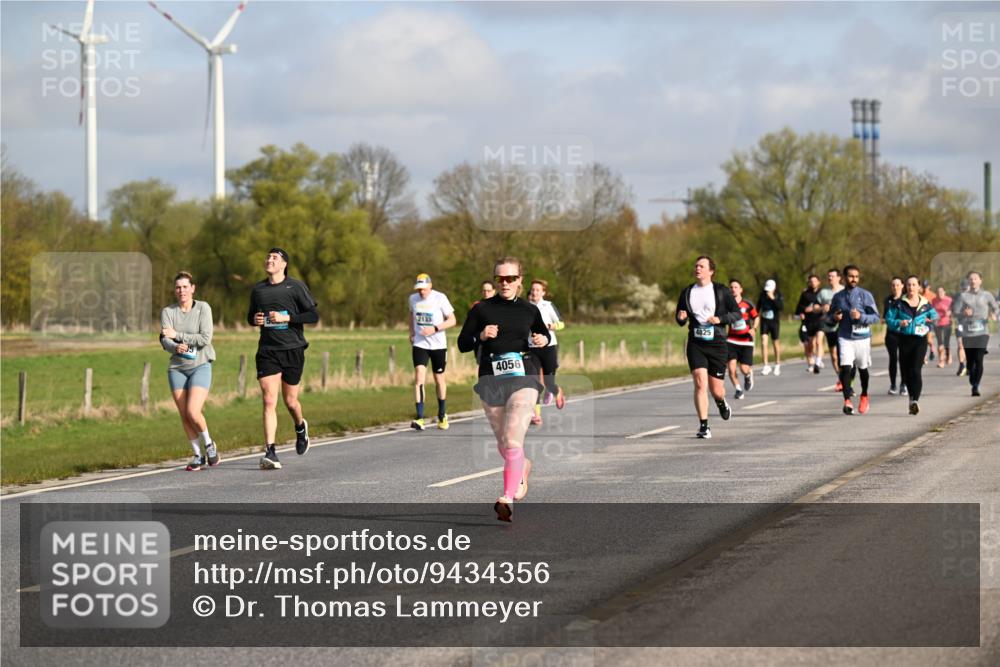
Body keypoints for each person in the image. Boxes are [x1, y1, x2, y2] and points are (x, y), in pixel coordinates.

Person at [457, 257, 550, 522]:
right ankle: (523, 465)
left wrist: (542, 339)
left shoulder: (530, 310)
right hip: (491, 376)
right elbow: (463, 343)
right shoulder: (481, 309)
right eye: (501, 279)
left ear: (520, 280)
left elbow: (542, 336)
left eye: (511, 278)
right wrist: (481, 336)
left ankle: (507, 498)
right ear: (496, 280)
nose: (505, 283)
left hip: (524, 373)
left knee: (511, 439)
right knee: (503, 442)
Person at [247, 248, 319, 470]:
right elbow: (250, 316)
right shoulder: (258, 289)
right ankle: (270, 451)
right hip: (268, 350)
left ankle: (300, 426)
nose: (269, 260)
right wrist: (255, 319)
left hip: (292, 349)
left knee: (290, 402)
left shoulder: (295, 286)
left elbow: (313, 315)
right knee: (269, 400)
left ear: (284, 264)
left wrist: (287, 317)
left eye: (274, 258)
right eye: (268, 257)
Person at [676, 256, 740, 438]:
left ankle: (721, 403)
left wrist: (720, 319)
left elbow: (736, 314)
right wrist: (680, 318)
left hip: (717, 343)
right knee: (699, 381)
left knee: (716, 391)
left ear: (711, 271)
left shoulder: (721, 291)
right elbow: (680, 317)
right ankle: (704, 426)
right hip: (696, 343)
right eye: (696, 266)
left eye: (701, 266)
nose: (697, 269)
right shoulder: (687, 292)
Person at [160, 271, 218, 471]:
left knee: (193, 411)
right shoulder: (168, 312)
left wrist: (179, 336)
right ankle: (197, 455)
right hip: (177, 368)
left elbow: (205, 339)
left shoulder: (203, 308)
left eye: (185, 287)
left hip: (200, 365)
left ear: (192, 288)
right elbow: (164, 339)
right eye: (178, 287)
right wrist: (175, 347)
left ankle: (209, 444)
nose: (181, 290)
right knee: (184, 414)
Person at [408, 274, 457, 431]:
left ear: (430, 285)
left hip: (438, 345)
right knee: (419, 378)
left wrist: (435, 329)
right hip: (420, 344)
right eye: (419, 289)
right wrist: (411, 332)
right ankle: (420, 417)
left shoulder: (440, 298)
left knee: (439, 379)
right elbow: (411, 314)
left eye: (424, 288)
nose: (421, 292)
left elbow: (452, 320)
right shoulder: (413, 299)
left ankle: (442, 413)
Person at [885, 276, 938, 415]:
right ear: (905, 287)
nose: (911, 287)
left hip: (920, 340)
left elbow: (935, 316)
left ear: (919, 287)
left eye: (914, 285)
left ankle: (915, 400)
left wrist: (930, 320)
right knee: (907, 372)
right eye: (909, 285)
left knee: (916, 370)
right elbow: (889, 319)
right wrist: (899, 323)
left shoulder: (926, 303)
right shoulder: (898, 303)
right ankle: (911, 399)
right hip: (904, 339)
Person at [831, 264, 881, 415]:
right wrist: (835, 317)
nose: (854, 279)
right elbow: (831, 317)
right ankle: (847, 401)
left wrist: (861, 317)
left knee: (862, 369)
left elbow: (876, 318)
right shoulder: (838, 297)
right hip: (845, 337)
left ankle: (864, 395)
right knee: (845, 368)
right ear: (845, 277)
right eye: (851, 276)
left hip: (862, 338)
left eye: (856, 276)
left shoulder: (865, 295)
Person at [951, 270, 999, 396]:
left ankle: (976, 386)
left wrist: (995, 314)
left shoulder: (987, 295)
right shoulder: (963, 296)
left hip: (982, 332)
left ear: (980, 280)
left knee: (979, 359)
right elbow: (955, 312)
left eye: (975, 278)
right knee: (971, 361)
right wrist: (963, 313)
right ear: (968, 281)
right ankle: (972, 377)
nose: (973, 281)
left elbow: (996, 308)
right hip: (967, 332)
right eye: (971, 279)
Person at [527, 279, 566, 425]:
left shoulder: (548, 306)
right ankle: (536, 415)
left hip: (549, 346)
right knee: (533, 382)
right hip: (532, 348)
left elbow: (561, 323)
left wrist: (550, 326)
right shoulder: (526, 307)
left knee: (549, 383)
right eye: (533, 290)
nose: (535, 292)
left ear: (543, 292)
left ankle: (556, 391)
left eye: (538, 290)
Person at [726, 279, 758, 400]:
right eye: (731, 287)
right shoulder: (727, 306)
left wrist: (754, 328)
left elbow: (756, 317)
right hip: (731, 341)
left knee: (744, 368)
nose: (733, 289)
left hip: (746, 341)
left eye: (736, 287)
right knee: (731, 368)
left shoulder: (748, 304)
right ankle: (738, 389)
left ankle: (748, 375)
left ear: (741, 290)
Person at [818, 268, 845, 390]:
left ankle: (846, 377)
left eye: (832, 276)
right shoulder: (824, 292)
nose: (830, 278)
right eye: (828, 276)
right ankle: (840, 378)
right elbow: (814, 306)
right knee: (833, 355)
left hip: (843, 326)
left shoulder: (844, 291)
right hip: (829, 327)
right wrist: (822, 308)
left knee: (842, 354)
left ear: (839, 278)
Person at [794, 275, 825, 374]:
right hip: (808, 322)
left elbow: (828, 305)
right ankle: (811, 362)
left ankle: (818, 362)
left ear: (819, 282)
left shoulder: (823, 293)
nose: (813, 283)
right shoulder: (805, 294)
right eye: (811, 281)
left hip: (820, 320)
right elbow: (798, 309)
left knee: (818, 342)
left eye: (815, 281)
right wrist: (803, 312)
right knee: (810, 345)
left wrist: (821, 311)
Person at [884, 277, 906, 396]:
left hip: (904, 334)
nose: (895, 287)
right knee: (893, 359)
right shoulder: (888, 300)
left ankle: (904, 384)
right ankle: (893, 385)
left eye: (897, 285)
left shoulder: (907, 299)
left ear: (902, 286)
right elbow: (887, 318)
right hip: (892, 334)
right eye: (893, 285)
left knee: (903, 359)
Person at [757, 279, 783, 376]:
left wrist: (773, 298)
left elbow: (781, 307)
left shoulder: (778, 295)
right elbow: (758, 307)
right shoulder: (762, 295)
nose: (768, 291)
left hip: (774, 322)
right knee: (764, 342)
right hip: (764, 321)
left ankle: (777, 364)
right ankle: (766, 365)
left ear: (774, 288)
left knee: (775, 343)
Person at [932, 286, 953, 368]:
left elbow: (953, 309)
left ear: (944, 292)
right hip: (937, 324)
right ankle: (941, 361)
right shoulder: (934, 300)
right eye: (937, 292)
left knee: (946, 343)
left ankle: (948, 355)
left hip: (947, 323)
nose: (939, 294)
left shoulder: (949, 300)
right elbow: (931, 311)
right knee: (940, 343)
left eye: (941, 292)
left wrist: (950, 312)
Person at [954, 279, 971, 377]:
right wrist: (962, 313)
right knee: (960, 345)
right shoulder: (957, 297)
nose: (965, 290)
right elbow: (954, 311)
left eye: (966, 288)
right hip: (960, 324)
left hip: (971, 326)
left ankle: (969, 366)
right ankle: (961, 365)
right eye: (963, 288)